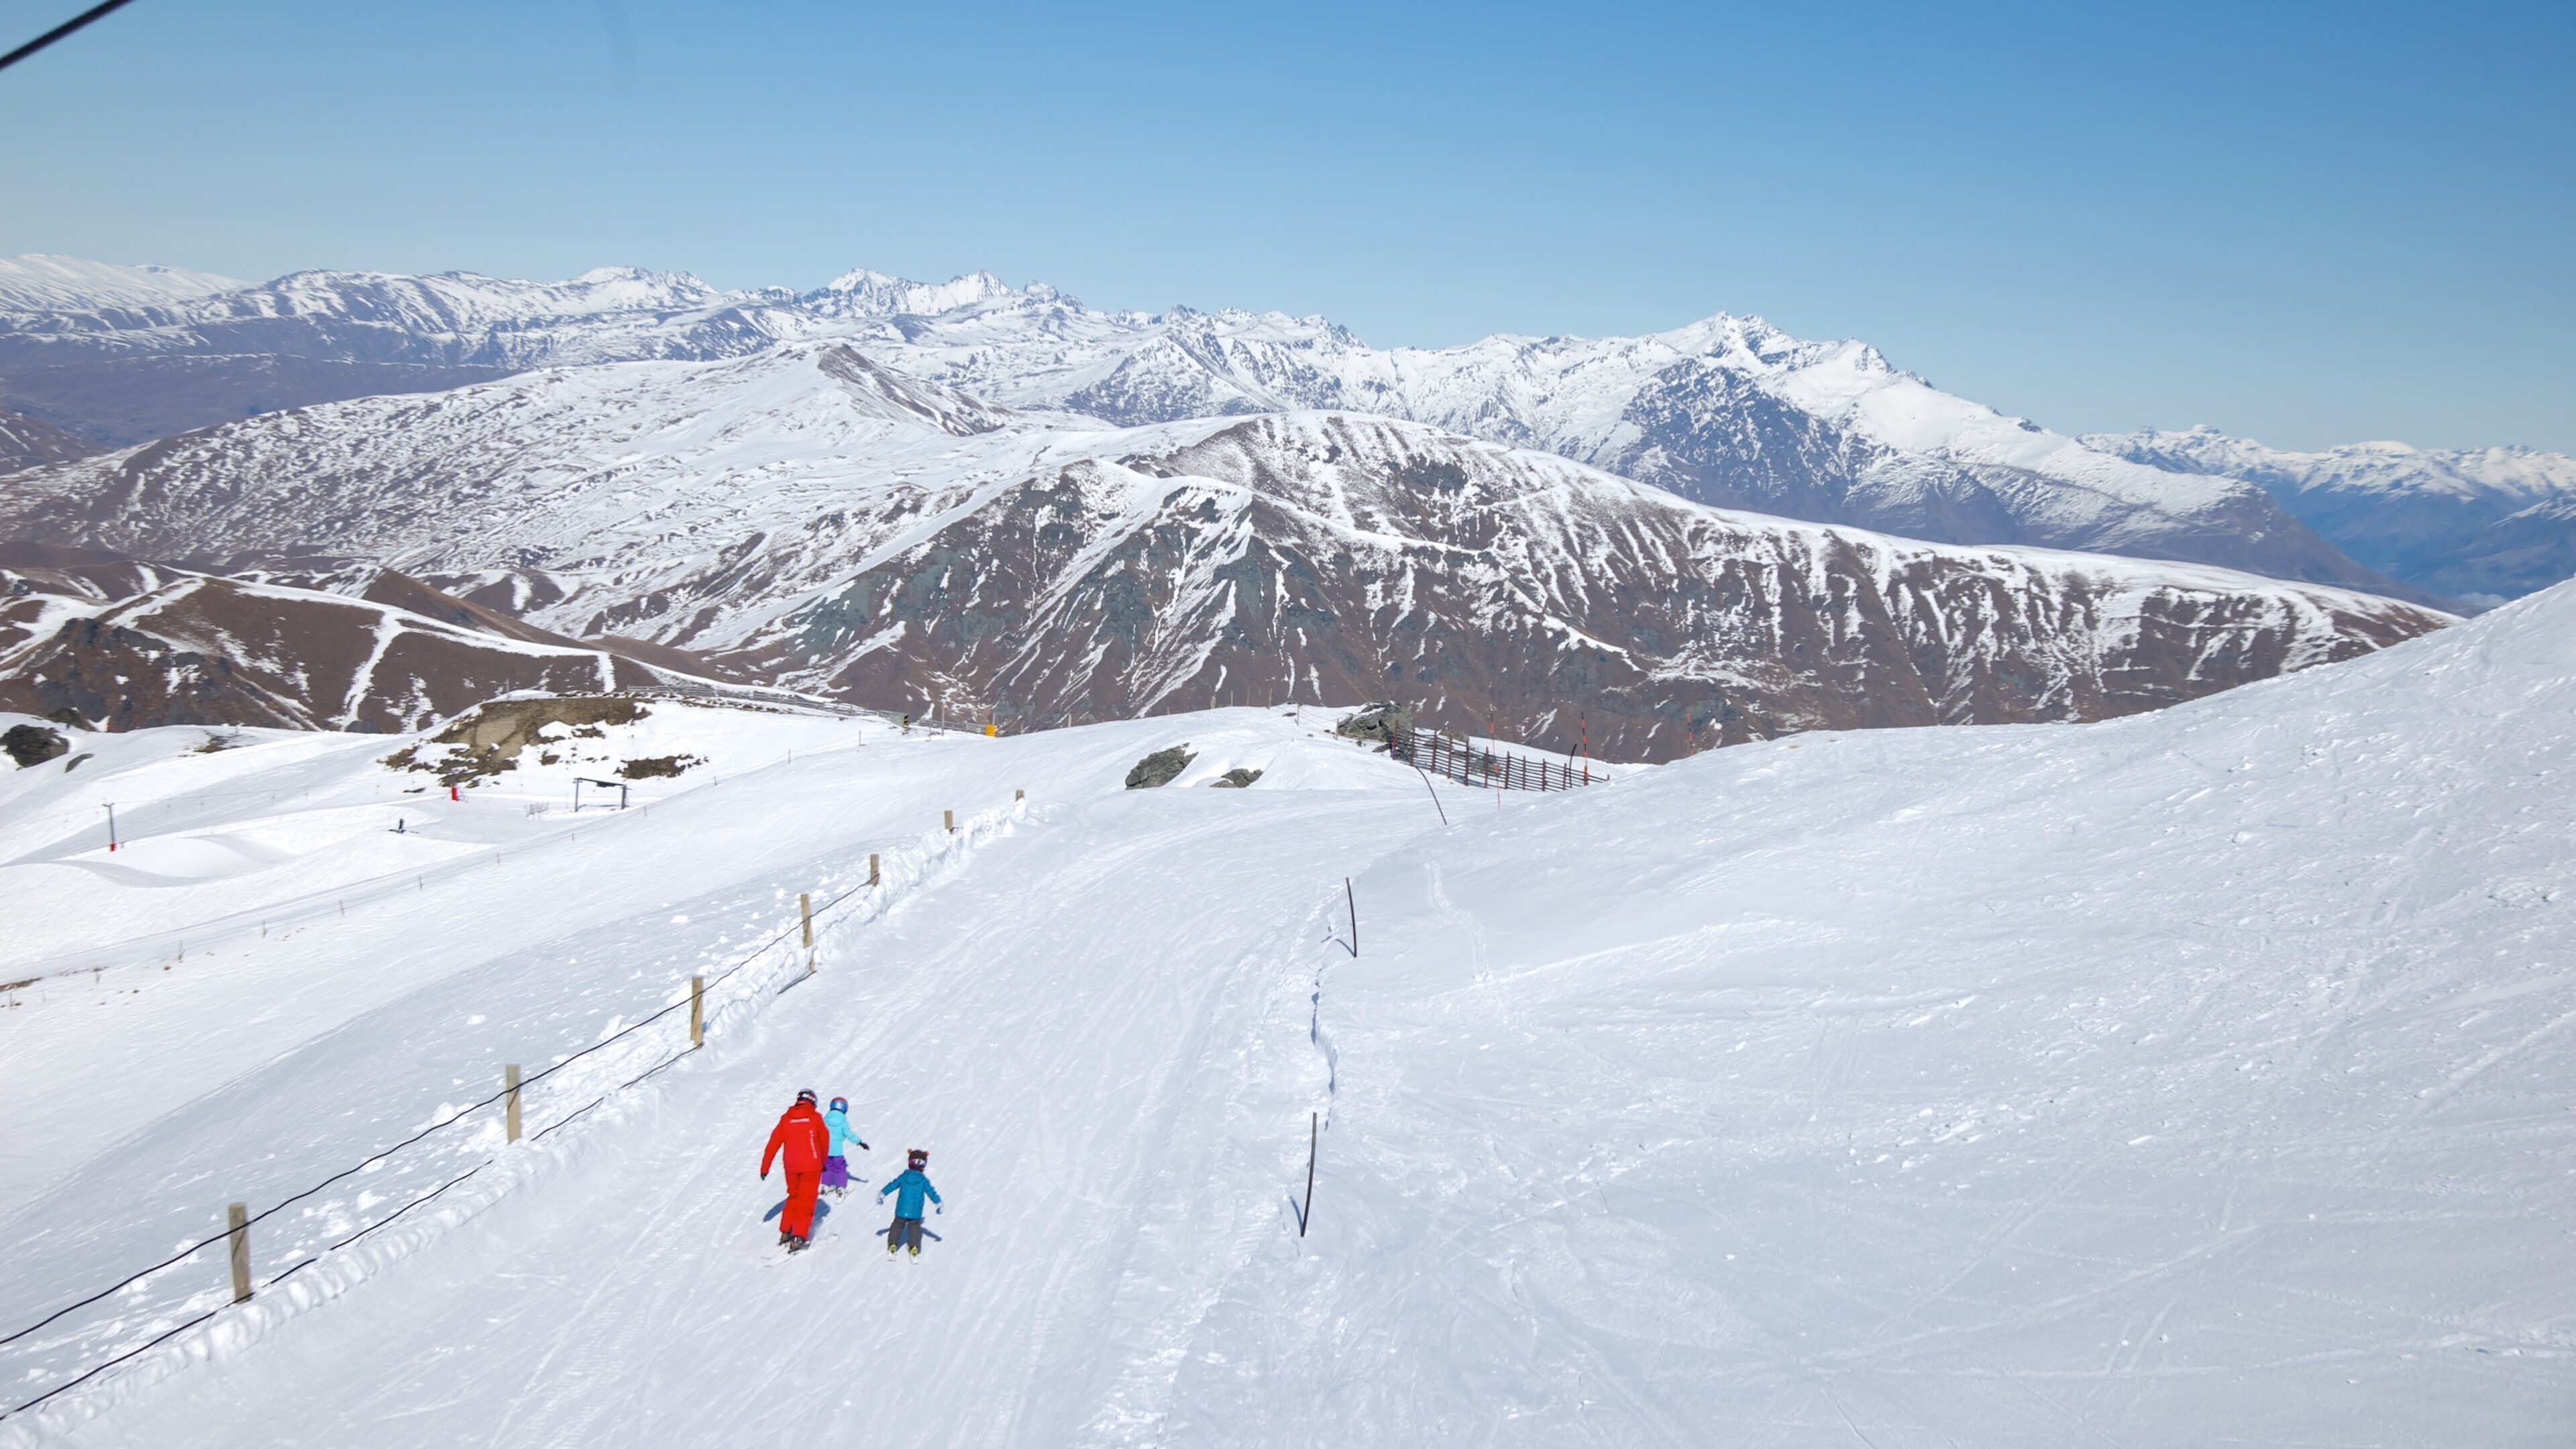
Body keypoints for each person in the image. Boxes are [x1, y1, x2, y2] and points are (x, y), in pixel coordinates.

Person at [759, 1088, 831, 1251]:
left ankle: (786, 1231)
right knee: (806, 1200)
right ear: (813, 1101)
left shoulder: (787, 1118)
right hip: (811, 1166)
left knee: (793, 1196)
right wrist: (823, 1162)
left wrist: (765, 1167)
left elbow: (773, 1143)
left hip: (791, 1166)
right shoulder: (815, 1117)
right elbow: (824, 1141)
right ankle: (799, 1237)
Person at [878, 1148, 943, 1256]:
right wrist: (939, 1203)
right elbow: (931, 1193)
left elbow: (892, 1185)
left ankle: (893, 1244)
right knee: (915, 1229)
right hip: (916, 1211)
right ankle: (914, 1247)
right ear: (923, 1165)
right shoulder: (923, 1180)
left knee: (897, 1225)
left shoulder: (904, 1177)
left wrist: (882, 1194)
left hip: (902, 1209)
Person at [821, 1096, 869, 1197]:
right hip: (837, 1152)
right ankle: (841, 1188)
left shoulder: (825, 1119)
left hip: (825, 1151)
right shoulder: (843, 1121)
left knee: (827, 1168)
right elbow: (849, 1134)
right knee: (840, 1169)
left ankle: (825, 1186)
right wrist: (860, 1142)